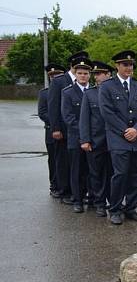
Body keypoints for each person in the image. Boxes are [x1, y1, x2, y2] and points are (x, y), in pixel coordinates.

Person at [99, 50, 137, 225]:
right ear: (117, 66)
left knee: (136, 175)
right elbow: (107, 112)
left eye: (130, 65)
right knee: (120, 175)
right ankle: (115, 209)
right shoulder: (107, 86)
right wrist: (125, 131)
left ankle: (131, 208)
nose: (129, 67)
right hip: (118, 139)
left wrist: (136, 129)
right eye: (125, 64)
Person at [79, 61, 114, 217]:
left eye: (100, 73)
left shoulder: (116, 91)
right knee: (96, 173)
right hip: (96, 140)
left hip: (115, 140)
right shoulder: (89, 94)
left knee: (114, 173)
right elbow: (84, 119)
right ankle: (99, 203)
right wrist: (85, 140)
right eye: (95, 74)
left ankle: (114, 201)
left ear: (109, 74)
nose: (96, 77)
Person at [61, 57, 93, 212]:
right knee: (77, 170)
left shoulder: (95, 92)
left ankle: (92, 198)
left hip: (93, 139)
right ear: (75, 73)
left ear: (90, 75)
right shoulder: (67, 93)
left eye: (86, 73)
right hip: (76, 138)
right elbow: (68, 117)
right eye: (79, 73)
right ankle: (78, 200)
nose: (83, 76)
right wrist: (84, 133)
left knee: (92, 170)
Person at [47, 53, 80, 201]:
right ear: (72, 65)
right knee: (63, 162)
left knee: (77, 163)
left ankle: (78, 191)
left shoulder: (84, 81)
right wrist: (55, 128)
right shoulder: (59, 81)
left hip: (79, 130)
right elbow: (53, 106)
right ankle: (64, 191)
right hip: (63, 130)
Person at [38, 63, 66, 195]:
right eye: (51, 76)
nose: (54, 77)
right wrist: (56, 123)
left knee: (65, 160)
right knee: (53, 160)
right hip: (51, 131)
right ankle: (54, 185)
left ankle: (66, 186)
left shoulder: (67, 90)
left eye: (57, 75)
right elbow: (42, 112)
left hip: (66, 131)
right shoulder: (44, 93)